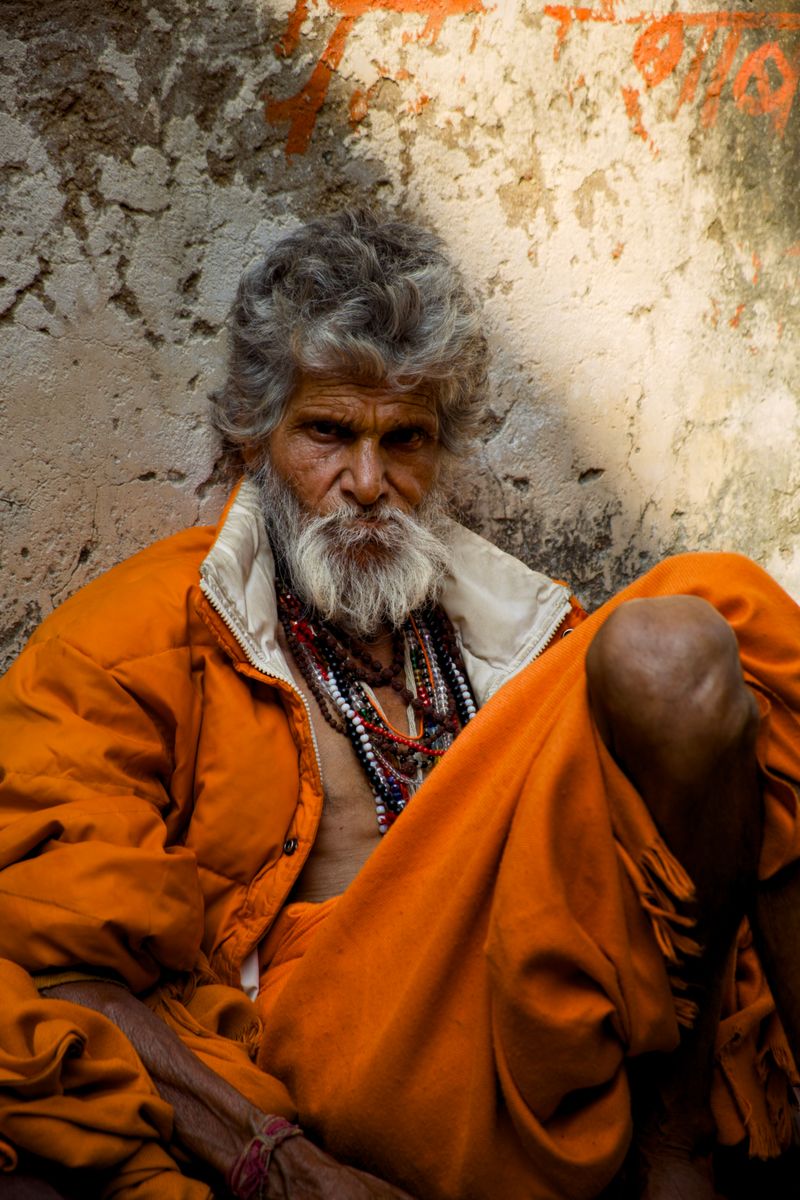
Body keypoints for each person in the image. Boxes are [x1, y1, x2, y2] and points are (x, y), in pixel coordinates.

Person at [1, 207, 800, 1200]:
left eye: (404, 441)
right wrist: (275, 1162)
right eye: (328, 435)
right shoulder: (130, 642)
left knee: (681, 647)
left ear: (442, 454)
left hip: (555, 1048)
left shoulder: (522, 629)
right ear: (251, 438)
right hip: (339, 1076)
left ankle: (677, 1123)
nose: (367, 484)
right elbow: (51, 969)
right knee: (688, 622)